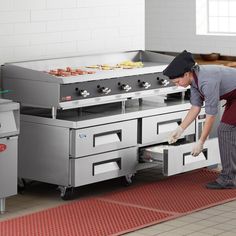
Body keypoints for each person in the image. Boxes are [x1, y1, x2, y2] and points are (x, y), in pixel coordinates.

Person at [163, 50, 236, 189]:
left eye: (178, 81)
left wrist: (201, 141)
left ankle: (228, 179)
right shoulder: (194, 80)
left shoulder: (206, 81)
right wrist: (180, 129)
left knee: (225, 130)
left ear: (186, 74)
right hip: (233, 96)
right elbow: (195, 107)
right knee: (229, 131)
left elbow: (211, 115)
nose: (178, 85)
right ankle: (231, 174)